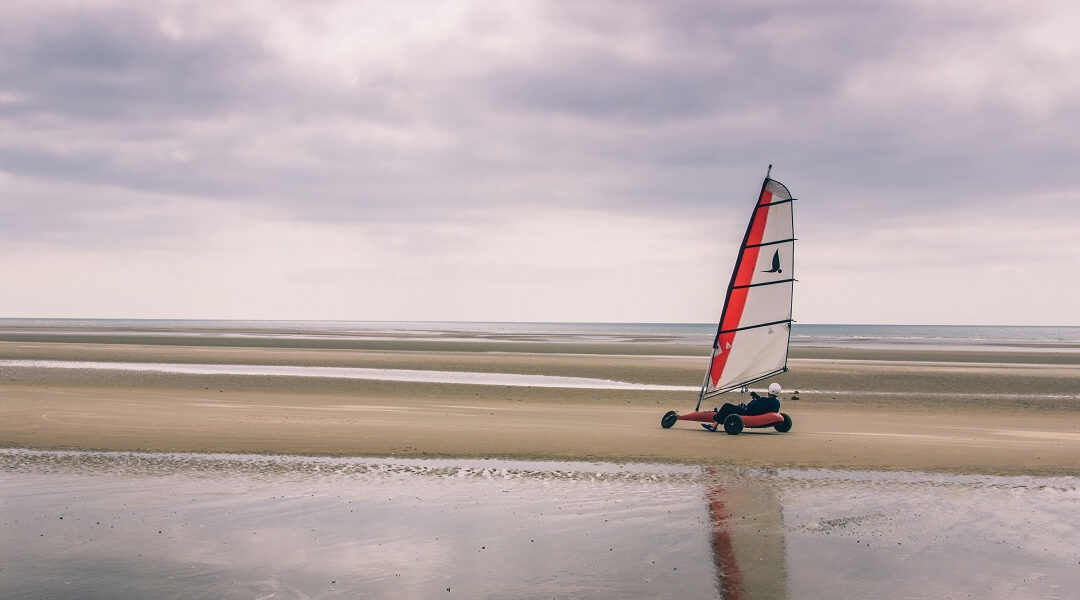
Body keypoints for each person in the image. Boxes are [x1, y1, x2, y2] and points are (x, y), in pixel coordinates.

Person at [702, 382, 782, 431]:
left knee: (727, 406)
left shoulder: (763, 400)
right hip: (756, 413)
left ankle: (714, 425)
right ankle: (719, 413)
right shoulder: (777, 403)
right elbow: (767, 404)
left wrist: (752, 402)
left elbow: (751, 407)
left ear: (769, 390)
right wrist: (757, 397)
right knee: (736, 407)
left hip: (748, 414)